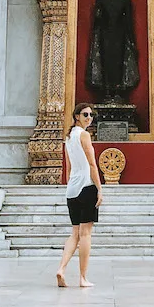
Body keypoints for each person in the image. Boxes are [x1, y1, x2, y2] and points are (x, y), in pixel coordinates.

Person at [56, 102, 103, 288]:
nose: (89, 118)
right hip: (87, 186)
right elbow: (92, 165)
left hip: (72, 190)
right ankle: (83, 278)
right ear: (77, 116)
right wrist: (99, 189)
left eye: (91, 115)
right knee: (85, 234)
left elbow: (68, 167)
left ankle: (61, 268)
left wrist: (70, 185)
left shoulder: (68, 137)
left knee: (74, 232)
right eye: (85, 114)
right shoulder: (84, 135)